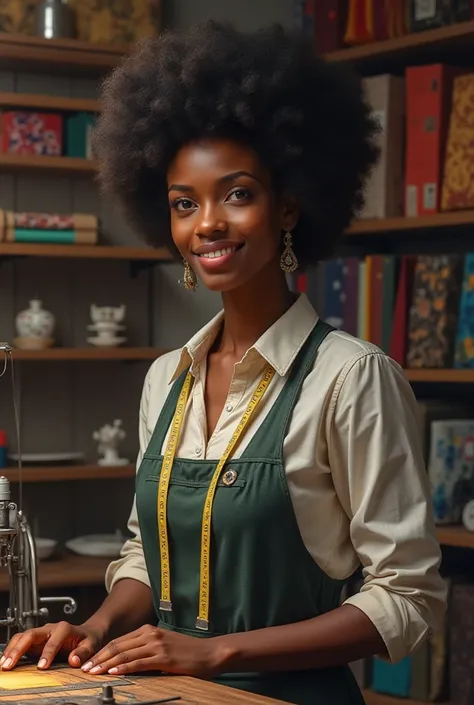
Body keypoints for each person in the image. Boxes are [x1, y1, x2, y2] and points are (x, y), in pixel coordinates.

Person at [1, 21, 446, 705]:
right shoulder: (165, 377)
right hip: (169, 691)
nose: (207, 222)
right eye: (185, 204)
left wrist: (217, 650)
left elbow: (408, 597)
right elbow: (149, 556)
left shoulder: (352, 378)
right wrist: (90, 629)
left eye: (236, 193)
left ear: (288, 205)